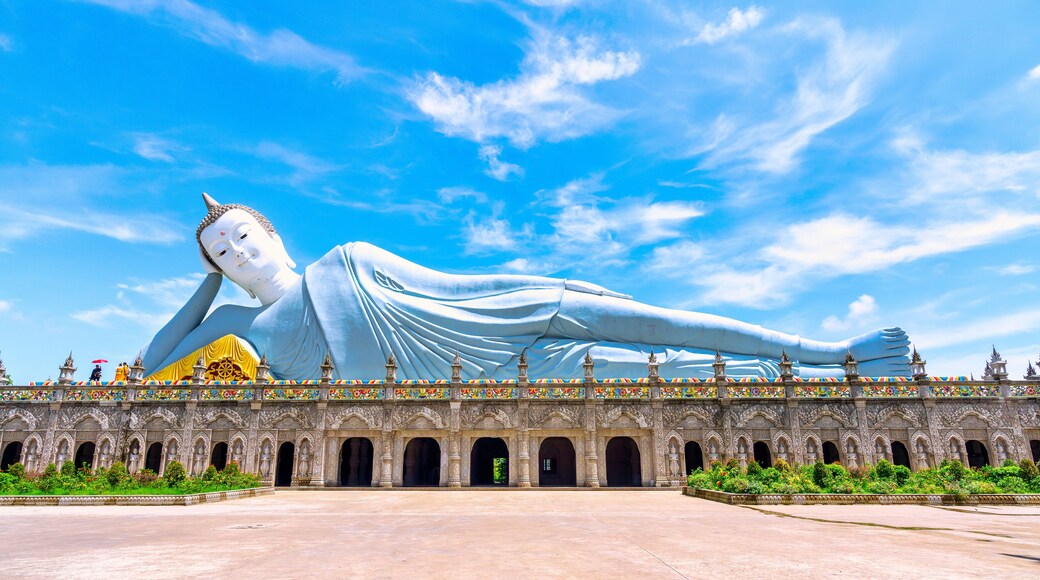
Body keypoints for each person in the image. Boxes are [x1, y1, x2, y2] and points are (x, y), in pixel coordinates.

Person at [142, 194, 911, 381]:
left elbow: (449, 283)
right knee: (663, 373)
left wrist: (551, 284)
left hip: (495, 312)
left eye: (243, 235)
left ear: (271, 232)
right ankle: (847, 378)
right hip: (479, 378)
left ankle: (828, 350)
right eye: (222, 253)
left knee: (651, 319)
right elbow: (149, 369)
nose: (238, 253)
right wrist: (202, 293)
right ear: (216, 271)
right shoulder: (241, 329)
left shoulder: (345, 257)